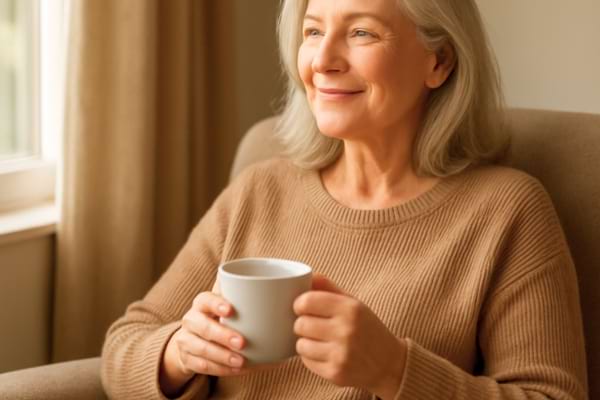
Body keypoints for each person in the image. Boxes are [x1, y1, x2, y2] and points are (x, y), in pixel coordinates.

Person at [100, 0, 588, 399]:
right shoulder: (259, 189)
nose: (323, 60)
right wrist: (179, 353)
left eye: (362, 33)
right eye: (312, 32)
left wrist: (394, 370)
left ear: (438, 61)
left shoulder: (506, 210)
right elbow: (124, 344)